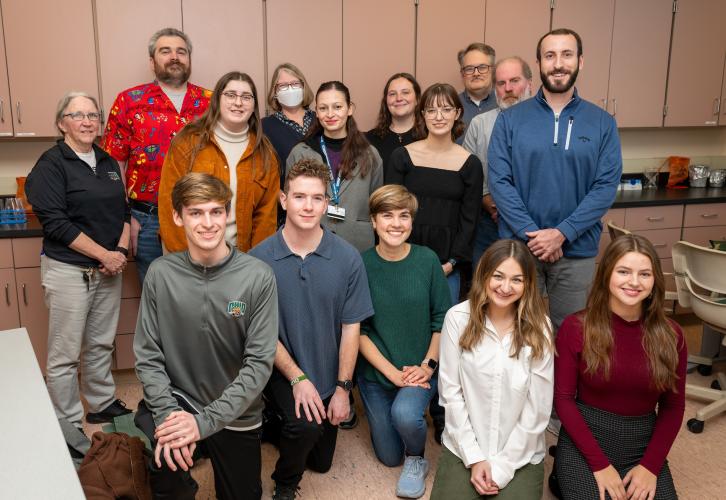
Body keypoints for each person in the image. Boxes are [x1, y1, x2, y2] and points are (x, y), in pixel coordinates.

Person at [134, 172, 278, 500]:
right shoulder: (161, 274)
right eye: (196, 213)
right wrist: (169, 416)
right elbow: (147, 354)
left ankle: (200, 443)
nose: (208, 223)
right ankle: (180, 454)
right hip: (179, 397)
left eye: (216, 211)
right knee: (165, 458)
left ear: (227, 214)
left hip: (237, 409)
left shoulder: (258, 277)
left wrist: (203, 423)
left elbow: (258, 365)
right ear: (177, 216)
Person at [249, 158, 374, 500]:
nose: (308, 206)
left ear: (326, 204)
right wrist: (297, 379)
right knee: (304, 427)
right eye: (299, 196)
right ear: (283, 199)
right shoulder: (259, 260)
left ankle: (274, 423)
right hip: (281, 367)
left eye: (317, 198)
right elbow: (260, 334)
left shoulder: (348, 258)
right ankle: (285, 483)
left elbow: (352, 328)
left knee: (321, 462)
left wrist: (343, 388)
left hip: (327, 367)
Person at [488, 28, 622, 333]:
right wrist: (534, 234)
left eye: (566, 54)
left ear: (580, 61)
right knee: (515, 331)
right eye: (550, 56)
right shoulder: (510, 120)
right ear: (539, 63)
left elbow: (604, 188)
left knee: (571, 335)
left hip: (576, 252)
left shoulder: (602, 123)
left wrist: (563, 233)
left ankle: (564, 385)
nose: (558, 63)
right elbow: (500, 181)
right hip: (520, 250)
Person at [552, 234, 686, 500]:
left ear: (655, 280)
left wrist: (650, 466)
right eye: (623, 271)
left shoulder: (672, 335)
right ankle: (562, 473)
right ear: (607, 275)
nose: (634, 282)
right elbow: (563, 399)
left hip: (642, 444)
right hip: (585, 441)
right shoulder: (576, 327)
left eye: (644, 274)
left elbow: (673, 406)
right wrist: (599, 465)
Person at [26, 91, 131, 427]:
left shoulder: (107, 161)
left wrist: (121, 252)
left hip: (107, 269)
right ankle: (68, 422)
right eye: (77, 115)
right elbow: (56, 223)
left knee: (101, 343)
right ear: (62, 123)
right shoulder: (51, 164)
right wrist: (105, 255)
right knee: (65, 354)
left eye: (92, 115)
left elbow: (124, 212)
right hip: (70, 271)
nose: (87, 121)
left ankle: (101, 402)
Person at [430, 239, 554, 500]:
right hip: (464, 444)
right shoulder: (458, 318)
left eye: (517, 280)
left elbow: (538, 408)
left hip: (521, 452)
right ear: (484, 275)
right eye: (498, 276)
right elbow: (451, 395)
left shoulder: (540, 326)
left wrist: (503, 467)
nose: (506, 287)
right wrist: (475, 458)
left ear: (528, 284)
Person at [358, 185, 451, 499]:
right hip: (377, 373)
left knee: (404, 417)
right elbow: (359, 331)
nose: (396, 223)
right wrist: (391, 374)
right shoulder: (361, 265)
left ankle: (417, 459)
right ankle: (405, 437)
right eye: (387, 215)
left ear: (412, 222)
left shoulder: (427, 261)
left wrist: (427, 367)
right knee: (388, 456)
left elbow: (442, 320)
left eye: (403, 216)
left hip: (420, 368)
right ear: (373, 221)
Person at [102, 27, 211, 283]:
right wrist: (126, 217)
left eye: (181, 51)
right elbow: (112, 164)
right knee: (159, 298)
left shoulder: (211, 102)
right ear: (152, 61)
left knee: (205, 295)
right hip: (147, 219)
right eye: (166, 51)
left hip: (203, 216)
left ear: (189, 59)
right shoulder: (129, 101)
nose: (174, 56)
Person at [158, 71, 279, 253]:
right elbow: (169, 204)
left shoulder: (265, 152)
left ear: (254, 105)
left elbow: (266, 217)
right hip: (191, 257)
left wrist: (254, 265)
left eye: (246, 97)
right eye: (230, 95)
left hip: (241, 258)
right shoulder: (188, 141)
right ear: (217, 99)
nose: (238, 102)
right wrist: (186, 261)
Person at [387, 82, 483, 306]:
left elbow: (470, 221)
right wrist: (399, 256)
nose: (439, 116)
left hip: (447, 269)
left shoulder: (470, 165)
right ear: (423, 115)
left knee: (443, 334)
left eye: (446, 109)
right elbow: (389, 211)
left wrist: (451, 263)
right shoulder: (401, 157)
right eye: (431, 110)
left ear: (457, 113)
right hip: (402, 261)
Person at [286, 81, 383, 252]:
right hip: (311, 244)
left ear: (350, 108)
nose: (330, 114)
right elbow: (290, 202)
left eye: (337, 107)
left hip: (359, 245)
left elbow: (378, 205)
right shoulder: (300, 152)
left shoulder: (370, 154)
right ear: (316, 112)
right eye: (323, 108)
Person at [463, 56, 533, 265]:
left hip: (533, 224)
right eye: (501, 83)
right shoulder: (479, 124)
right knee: (485, 286)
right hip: (488, 222)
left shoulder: (546, 124)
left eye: (515, 81)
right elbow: (468, 174)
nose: (508, 88)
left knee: (526, 288)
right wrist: (488, 202)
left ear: (530, 83)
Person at [262, 63, 316, 186]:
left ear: (303, 86)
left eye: (295, 83)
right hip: (286, 199)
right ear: (274, 91)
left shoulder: (320, 119)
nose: (290, 89)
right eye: (283, 85)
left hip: (323, 197)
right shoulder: (265, 127)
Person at [366, 73, 422, 178]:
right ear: (386, 101)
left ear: (417, 99)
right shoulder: (369, 140)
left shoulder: (429, 137)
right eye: (392, 94)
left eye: (405, 92)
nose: (399, 98)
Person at [457, 42, 497, 128]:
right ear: (462, 74)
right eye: (469, 69)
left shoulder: (504, 103)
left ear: (493, 71)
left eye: (482, 67)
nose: (476, 73)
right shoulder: (452, 106)